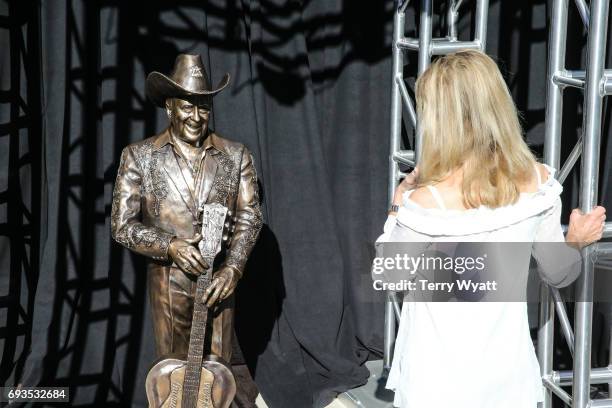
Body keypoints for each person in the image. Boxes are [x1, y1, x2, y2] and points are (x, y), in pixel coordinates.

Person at [378, 50, 606, 407]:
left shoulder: (426, 203)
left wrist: (397, 202)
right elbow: (559, 274)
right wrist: (574, 241)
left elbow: (389, 277)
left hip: (435, 384)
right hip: (508, 379)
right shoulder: (539, 181)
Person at [111, 54, 262, 362]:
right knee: (174, 378)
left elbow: (251, 217)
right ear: (170, 107)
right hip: (169, 289)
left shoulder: (236, 155)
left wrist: (233, 268)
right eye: (187, 106)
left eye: (203, 107)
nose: (196, 116)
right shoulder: (139, 156)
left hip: (220, 285)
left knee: (219, 380)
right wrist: (171, 246)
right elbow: (122, 225)